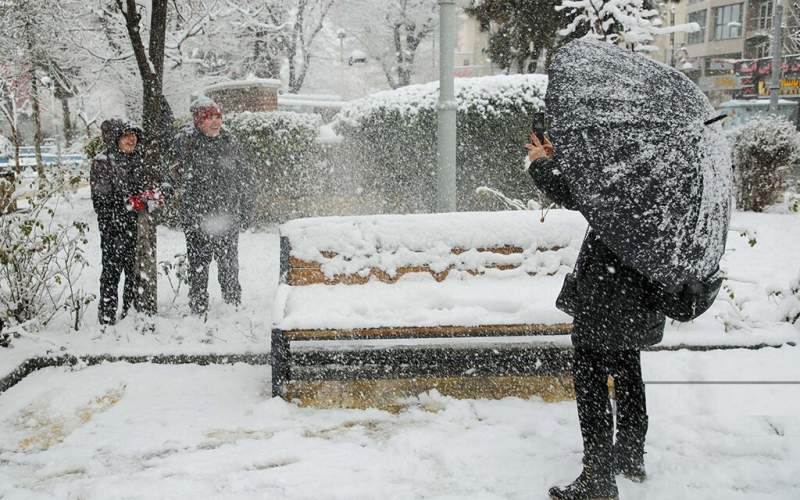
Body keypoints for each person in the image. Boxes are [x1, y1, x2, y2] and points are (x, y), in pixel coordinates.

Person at [526, 133, 666, 500]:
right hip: (635, 297)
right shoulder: (661, 175)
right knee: (627, 372)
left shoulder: (625, 172)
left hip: (605, 299)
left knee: (590, 386)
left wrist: (541, 162)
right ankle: (631, 455)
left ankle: (598, 477)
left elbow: (575, 193)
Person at [170, 96, 256, 315]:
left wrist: (246, 209)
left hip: (227, 215)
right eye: (210, 118)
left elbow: (245, 177)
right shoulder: (187, 142)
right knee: (199, 264)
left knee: (229, 264)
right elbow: (173, 174)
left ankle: (232, 304)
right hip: (198, 217)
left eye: (218, 117)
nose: (216, 122)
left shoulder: (230, 142)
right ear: (199, 121)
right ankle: (198, 307)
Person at [90, 119, 149, 325]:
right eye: (126, 135)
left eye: (133, 135)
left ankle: (129, 311)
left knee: (133, 272)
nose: (131, 139)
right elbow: (101, 198)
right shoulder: (103, 162)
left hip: (136, 226)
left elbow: (144, 189)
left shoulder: (138, 160)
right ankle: (106, 316)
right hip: (113, 228)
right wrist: (127, 204)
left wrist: (147, 198)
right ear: (115, 139)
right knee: (111, 272)